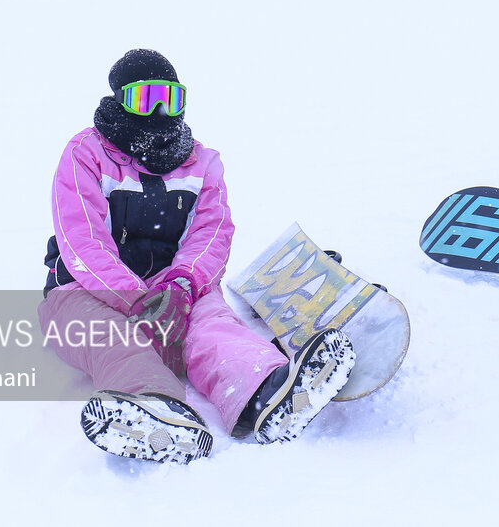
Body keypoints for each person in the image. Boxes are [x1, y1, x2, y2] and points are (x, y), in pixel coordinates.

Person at [39, 49, 356, 463]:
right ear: (119, 100)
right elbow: (82, 240)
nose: (157, 111)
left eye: (169, 99)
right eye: (144, 98)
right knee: (114, 340)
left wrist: (183, 285)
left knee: (213, 329)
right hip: (85, 291)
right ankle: (153, 408)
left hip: (175, 289)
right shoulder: (87, 152)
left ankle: (265, 392)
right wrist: (135, 298)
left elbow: (212, 233)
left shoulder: (201, 163)